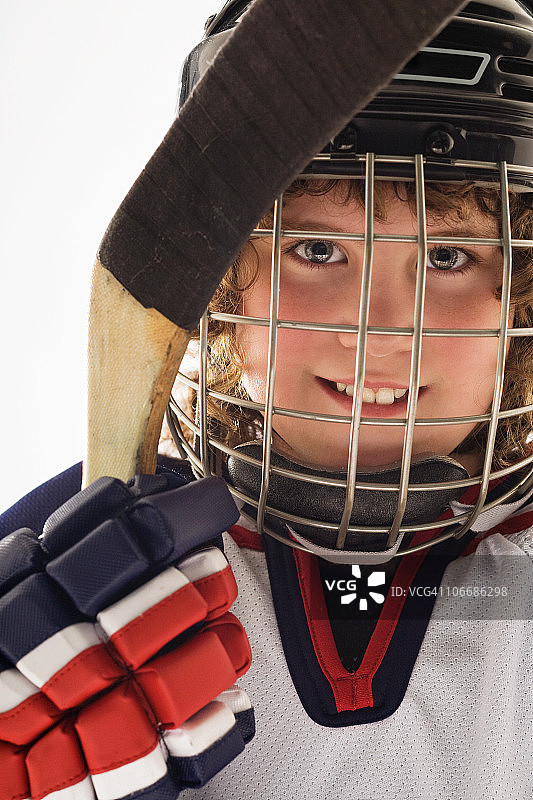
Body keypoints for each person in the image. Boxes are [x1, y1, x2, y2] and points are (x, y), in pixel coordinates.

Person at [2, 1, 533, 798]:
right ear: (219, 288)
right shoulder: (92, 556)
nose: (378, 330)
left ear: (521, 301)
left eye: (449, 254)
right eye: (316, 249)